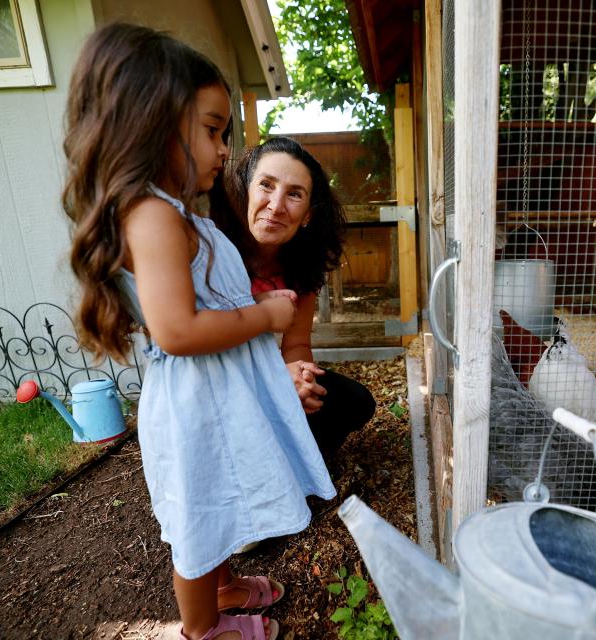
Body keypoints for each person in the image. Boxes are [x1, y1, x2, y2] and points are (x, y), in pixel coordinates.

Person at [61, 24, 335, 640]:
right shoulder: (153, 214)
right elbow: (178, 330)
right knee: (198, 519)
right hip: (193, 403)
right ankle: (203, 630)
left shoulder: (176, 211)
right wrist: (264, 317)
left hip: (214, 396)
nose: (222, 150)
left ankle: (225, 585)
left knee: (220, 497)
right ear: (154, 123)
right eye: (212, 130)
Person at [209, 137, 377, 467]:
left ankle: (303, 467)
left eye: (294, 194)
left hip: (263, 374)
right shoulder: (217, 248)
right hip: (216, 383)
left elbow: (297, 341)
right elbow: (199, 333)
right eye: (266, 186)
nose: (276, 205)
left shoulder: (305, 261)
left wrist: (299, 378)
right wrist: (260, 307)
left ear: (308, 215)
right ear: (246, 189)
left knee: (352, 401)